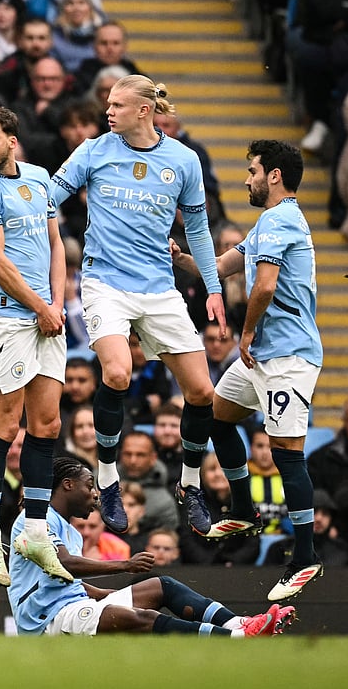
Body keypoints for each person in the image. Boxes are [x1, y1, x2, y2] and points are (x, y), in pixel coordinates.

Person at [51, 74, 226, 537]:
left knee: (202, 393)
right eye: (107, 104)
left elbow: (200, 231)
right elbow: (48, 199)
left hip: (159, 289)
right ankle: (107, 479)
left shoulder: (183, 161)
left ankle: (190, 486)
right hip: (104, 282)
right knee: (116, 373)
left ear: (144, 111)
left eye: (117, 105)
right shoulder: (94, 149)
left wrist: (212, 287)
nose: (108, 112)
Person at [173, 140, 325, 602]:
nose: (247, 179)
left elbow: (264, 285)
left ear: (274, 175)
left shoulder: (280, 220)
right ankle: (242, 506)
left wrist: (245, 334)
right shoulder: (266, 225)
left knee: (286, 453)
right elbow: (220, 267)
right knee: (217, 413)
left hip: (287, 357)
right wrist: (179, 257)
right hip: (263, 355)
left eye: (253, 170)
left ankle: (305, 556)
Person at [0, 106, 70, 586]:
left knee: (47, 422)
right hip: (7, 318)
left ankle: (34, 531)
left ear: (12, 139)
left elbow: (56, 242)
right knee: (4, 423)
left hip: (48, 316)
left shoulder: (39, 177)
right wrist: (41, 309)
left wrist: (58, 304)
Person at [7, 457, 293, 637]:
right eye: (90, 485)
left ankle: (240, 625)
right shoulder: (35, 520)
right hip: (46, 621)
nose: (95, 494)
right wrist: (125, 565)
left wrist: (108, 594)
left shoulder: (70, 530)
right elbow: (63, 563)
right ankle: (236, 639)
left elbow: (67, 582)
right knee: (141, 618)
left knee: (160, 586)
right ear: (67, 485)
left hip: (72, 605)